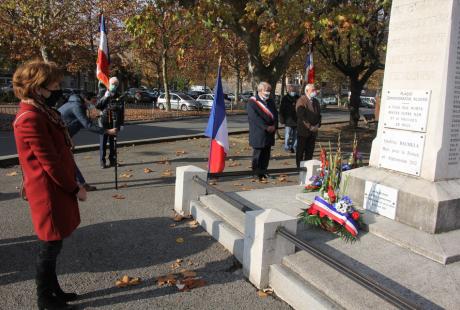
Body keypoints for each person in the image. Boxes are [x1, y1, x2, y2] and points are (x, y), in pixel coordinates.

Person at [12, 60, 86, 310]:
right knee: (49, 245)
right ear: (37, 87)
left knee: (55, 243)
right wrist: (76, 187)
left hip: (55, 188)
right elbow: (49, 163)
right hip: (48, 191)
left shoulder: (40, 111)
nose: (57, 87)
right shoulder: (29, 117)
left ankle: (54, 290)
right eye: (53, 83)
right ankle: (44, 298)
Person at [59, 91, 118, 190]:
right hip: (56, 137)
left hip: (61, 136)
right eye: (94, 100)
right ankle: (80, 184)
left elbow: (71, 123)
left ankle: (77, 183)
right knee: (67, 160)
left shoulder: (75, 103)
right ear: (87, 99)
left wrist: (68, 138)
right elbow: (87, 125)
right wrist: (108, 131)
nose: (95, 102)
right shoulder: (77, 106)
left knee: (66, 161)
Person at [247, 82, 278, 180]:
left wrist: (274, 126)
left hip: (270, 132)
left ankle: (264, 171)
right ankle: (256, 172)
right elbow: (254, 118)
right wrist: (266, 127)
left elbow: (275, 115)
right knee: (258, 154)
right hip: (259, 133)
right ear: (260, 90)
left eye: (269, 91)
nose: (268, 93)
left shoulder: (271, 101)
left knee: (266, 154)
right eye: (267, 91)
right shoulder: (252, 102)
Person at [96, 77, 124, 169]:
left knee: (113, 143)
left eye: (116, 85)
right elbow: (98, 105)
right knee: (103, 142)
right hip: (103, 121)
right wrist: (105, 96)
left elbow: (121, 110)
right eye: (113, 84)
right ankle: (102, 161)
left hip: (114, 122)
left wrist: (121, 124)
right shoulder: (102, 92)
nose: (114, 86)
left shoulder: (119, 95)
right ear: (109, 83)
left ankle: (112, 160)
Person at [296, 84, 322, 168]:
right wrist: (310, 127)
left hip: (313, 131)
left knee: (310, 151)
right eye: (312, 90)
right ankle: (299, 167)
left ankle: (307, 167)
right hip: (304, 131)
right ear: (307, 91)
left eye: (315, 90)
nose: (315, 92)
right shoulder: (302, 100)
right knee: (301, 150)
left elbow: (319, 115)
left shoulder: (316, 101)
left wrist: (318, 125)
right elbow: (301, 116)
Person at [279, 85, 299, 153]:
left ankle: (294, 146)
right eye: (291, 91)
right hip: (288, 120)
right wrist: (282, 119)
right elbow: (281, 109)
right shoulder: (285, 98)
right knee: (288, 134)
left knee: (296, 135)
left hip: (297, 120)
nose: (293, 92)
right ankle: (287, 147)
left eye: (294, 91)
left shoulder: (298, 97)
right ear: (289, 91)